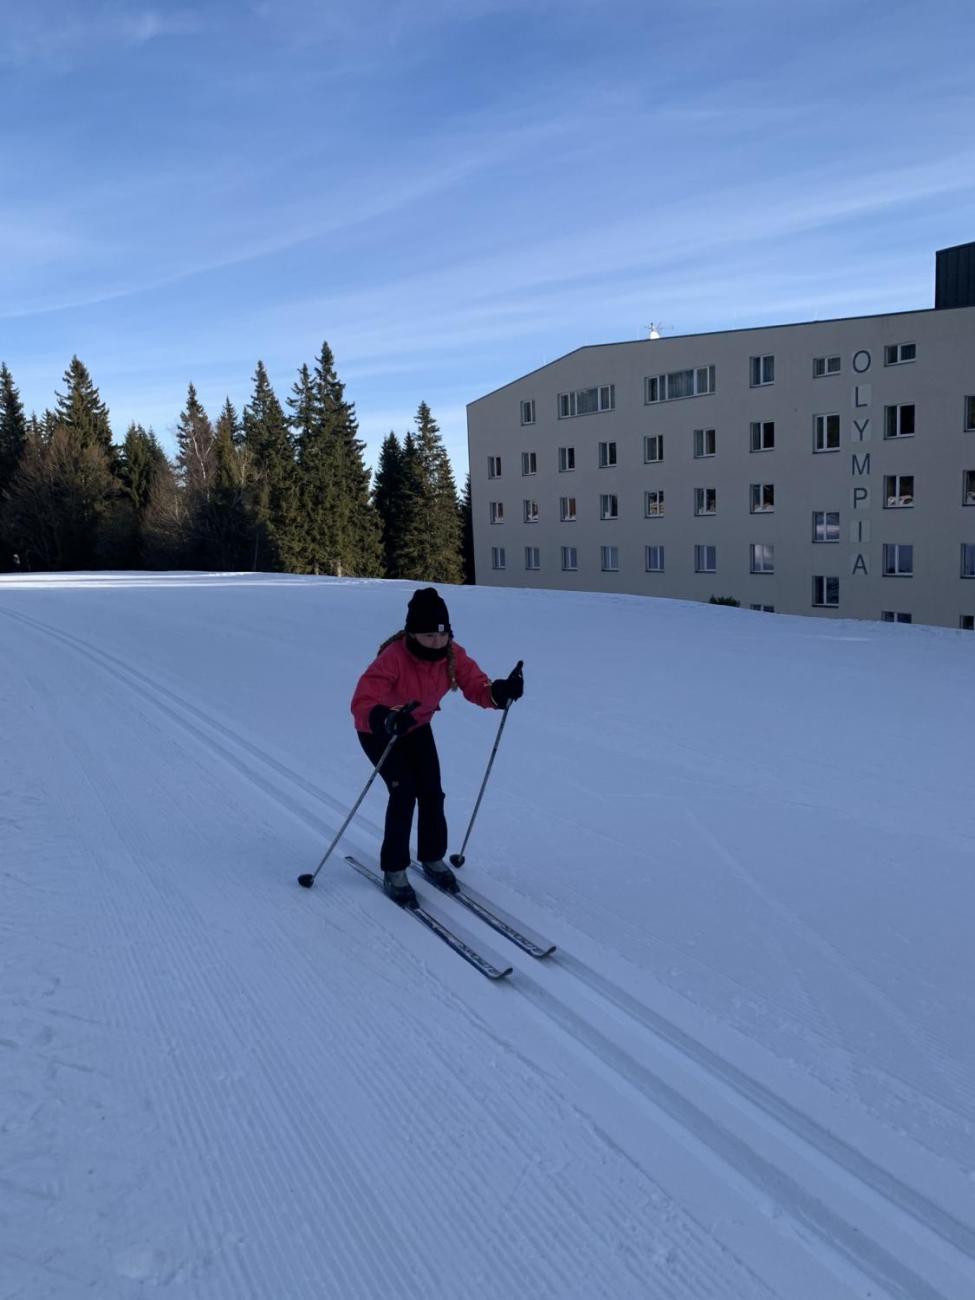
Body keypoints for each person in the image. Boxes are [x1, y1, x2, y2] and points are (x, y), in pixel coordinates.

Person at [351, 587, 524, 907]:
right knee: (403, 792)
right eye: (429, 635)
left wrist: (501, 693)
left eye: (442, 635)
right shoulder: (394, 657)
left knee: (432, 791)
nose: (436, 642)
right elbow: (362, 701)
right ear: (412, 633)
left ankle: (432, 857)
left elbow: (478, 687)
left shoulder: (452, 655)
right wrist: (386, 718)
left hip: (416, 727)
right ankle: (394, 869)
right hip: (380, 731)